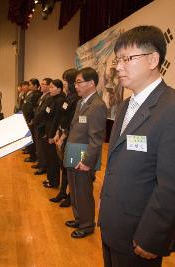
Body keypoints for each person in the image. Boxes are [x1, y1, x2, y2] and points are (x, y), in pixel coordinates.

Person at [98, 25, 175, 267]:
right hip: (113, 224)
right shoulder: (125, 106)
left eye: (127, 58)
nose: (118, 66)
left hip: (140, 234)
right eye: (117, 59)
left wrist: (153, 237)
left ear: (153, 60)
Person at [65, 67, 107, 238]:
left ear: (91, 83)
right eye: (75, 82)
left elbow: (96, 138)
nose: (76, 86)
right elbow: (76, 127)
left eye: (79, 82)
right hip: (73, 153)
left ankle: (87, 224)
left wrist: (87, 161)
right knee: (74, 190)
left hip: (84, 156)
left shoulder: (97, 105)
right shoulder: (81, 102)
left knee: (83, 191)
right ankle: (79, 218)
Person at [50, 68, 80, 207]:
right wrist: (57, 132)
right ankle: (62, 191)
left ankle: (69, 195)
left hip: (70, 137)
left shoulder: (77, 99)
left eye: (66, 81)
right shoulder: (68, 97)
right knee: (63, 166)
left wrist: (63, 136)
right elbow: (62, 117)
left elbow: (73, 121)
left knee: (69, 167)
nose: (65, 84)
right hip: (62, 133)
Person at [42, 79, 66, 188]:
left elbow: (56, 120)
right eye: (50, 87)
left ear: (59, 89)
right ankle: (50, 178)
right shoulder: (53, 99)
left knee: (53, 160)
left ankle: (54, 182)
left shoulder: (60, 100)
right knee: (49, 158)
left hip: (53, 133)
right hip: (48, 130)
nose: (50, 89)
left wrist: (52, 136)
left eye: (52, 87)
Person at [29, 78, 52, 175]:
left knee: (42, 147)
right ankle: (40, 162)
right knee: (38, 146)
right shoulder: (42, 96)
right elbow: (37, 109)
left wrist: (34, 121)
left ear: (48, 86)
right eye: (41, 84)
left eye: (43, 84)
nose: (41, 85)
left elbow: (42, 112)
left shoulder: (49, 97)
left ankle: (43, 166)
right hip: (37, 124)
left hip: (41, 125)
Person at [22, 78, 42, 163]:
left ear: (35, 85)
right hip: (27, 118)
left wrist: (31, 119)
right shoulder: (31, 93)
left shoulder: (37, 94)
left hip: (32, 119)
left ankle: (33, 156)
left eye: (30, 84)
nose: (29, 86)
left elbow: (33, 108)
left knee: (32, 139)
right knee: (30, 138)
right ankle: (31, 155)